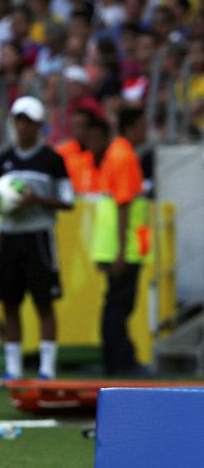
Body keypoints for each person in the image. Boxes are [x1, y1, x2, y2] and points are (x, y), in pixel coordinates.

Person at [0, 97, 74, 387]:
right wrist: (3, 204)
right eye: (19, 121)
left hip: (39, 236)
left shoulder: (52, 160)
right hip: (10, 236)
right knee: (9, 302)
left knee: (44, 301)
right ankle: (12, 370)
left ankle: (47, 370)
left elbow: (67, 200)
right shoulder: (2, 160)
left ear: (39, 125)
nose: (22, 127)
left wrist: (36, 199)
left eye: (28, 122)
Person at [91, 106, 150, 376]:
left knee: (115, 304)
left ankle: (115, 359)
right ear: (130, 128)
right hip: (124, 247)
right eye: (142, 126)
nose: (146, 131)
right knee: (120, 305)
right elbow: (124, 204)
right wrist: (121, 251)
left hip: (112, 244)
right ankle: (121, 361)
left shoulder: (115, 153)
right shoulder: (125, 156)